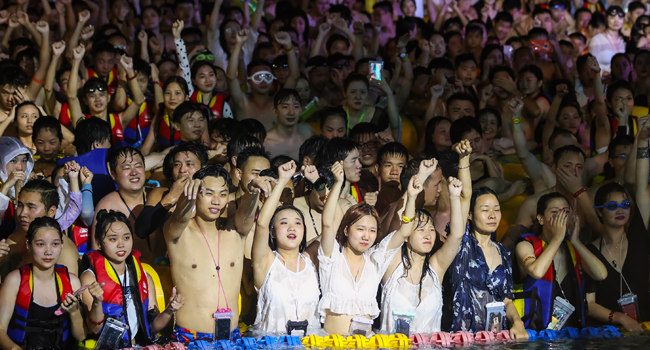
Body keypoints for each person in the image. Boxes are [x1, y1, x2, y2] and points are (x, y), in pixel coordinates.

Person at [318, 161, 422, 335]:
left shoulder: (376, 260)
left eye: (372, 230)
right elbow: (327, 224)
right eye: (360, 229)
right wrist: (337, 184)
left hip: (366, 344)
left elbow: (404, 231)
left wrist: (411, 197)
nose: (366, 236)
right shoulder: (332, 257)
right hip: (332, 344)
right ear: (346, 230)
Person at [378, 141, 472, 334]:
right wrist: (415, 188)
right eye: (420, 229)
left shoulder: (435, 268)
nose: (429, 234)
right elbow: (401, 225)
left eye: (430, 229)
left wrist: (455, 197)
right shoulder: (391, 261)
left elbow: (457, 235)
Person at [163, 165, 259, 340]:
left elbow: (246, 213)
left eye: (222, 194)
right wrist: (187, 197)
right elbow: (178, 217)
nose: (216, 200)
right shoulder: (178, 233)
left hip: (232, 337)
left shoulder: (236, 231)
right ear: (196, 194)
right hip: (190, 338)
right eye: (208, 193)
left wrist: (252, 193)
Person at [81, 210, 185, 346]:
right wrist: (97, 302)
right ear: (99, 243)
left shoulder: (144, 277)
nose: (121, 244)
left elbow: (153, 327)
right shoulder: (90, 278)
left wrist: (170, 310)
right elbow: (94, 329)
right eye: (113, 239)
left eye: (126, 238)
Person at [515, 192, 608, 330]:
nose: (562, 216)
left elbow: (601, 274)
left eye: (566, 212)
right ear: (541, 219)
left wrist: (576, 242)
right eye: (555, 212)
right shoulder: (526, 245)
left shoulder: (573, 249)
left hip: (571, 335)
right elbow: (537, 271)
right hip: (535, 337)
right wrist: (557, 238)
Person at [447, 186, 528, 339]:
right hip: (465, 340)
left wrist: (518, 322)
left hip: (496, 338)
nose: (492, 215)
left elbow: (507, 300)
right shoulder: (460, 246)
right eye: (485, 210)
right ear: (469, 214)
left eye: (496, 210)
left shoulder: (503, 252)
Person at [250, 160, 320, 334]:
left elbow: (332, 225)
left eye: (297, 223)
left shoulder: (311, 260)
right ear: (272, 232)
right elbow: (261, 224)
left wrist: (318, 183)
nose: (291, 227)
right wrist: (282, 181)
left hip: (310, 345)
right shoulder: (265, 262)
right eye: (284, 222)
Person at [0, 217, 85, 349]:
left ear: (62, 245)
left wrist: (74, 312)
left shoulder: (72, 282)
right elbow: (0, 330)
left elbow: (80, 337)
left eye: (55, 244)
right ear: (28, 245)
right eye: (40, 244)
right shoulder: (14, 281)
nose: (48, 252)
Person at [0, 179, 80, 277]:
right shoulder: (12, 242)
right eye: (20, 205)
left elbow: (71, 291)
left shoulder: (66, 253)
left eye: (31, 207)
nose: (22, 213)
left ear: (51, 211)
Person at [263, 89, 316, 160]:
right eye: (285, 107)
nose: (291, 112)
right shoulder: (265, 143)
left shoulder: (308, 132)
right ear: (275, 112)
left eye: (296, 106)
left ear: (300, 110)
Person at [0, 137, 33, 236]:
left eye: (24, 161)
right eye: (13, 161)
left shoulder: (29, 187)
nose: (20, 167)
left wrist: (19, 189)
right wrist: (6, 187)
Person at [588, 6, 625, 74]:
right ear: (606, 19)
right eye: (612, 18)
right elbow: (591, 65)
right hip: (603, 81)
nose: (616, 21)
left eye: (620, 17)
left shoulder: (625, 40)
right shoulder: (597, 40)